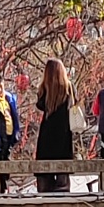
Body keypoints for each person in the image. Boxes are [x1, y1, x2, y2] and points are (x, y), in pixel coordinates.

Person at [35, 59, 74, 193]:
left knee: (45, 171)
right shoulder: (68, 88)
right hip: (64, 132)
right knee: (63, 171)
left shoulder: (43, 89)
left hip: (47, 133)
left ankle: (45, 194)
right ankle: (63, 194)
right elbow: (74, 104)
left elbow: (40, 105)